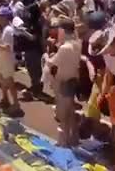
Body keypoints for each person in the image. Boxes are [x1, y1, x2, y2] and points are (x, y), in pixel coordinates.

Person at [47, 18, 81, 147]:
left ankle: (65, 142)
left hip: (63, 82)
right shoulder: (77, 43)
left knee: (64, 115)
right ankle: (74, 138)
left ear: (62, 30)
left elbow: (52, 62)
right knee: (70, 112)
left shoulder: (65, 48)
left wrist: (47, 57)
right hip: (72, 81)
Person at [0, 6, 23, 116]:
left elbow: (7, 47)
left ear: (5, 17)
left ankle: (16, 104)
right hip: (0, 57)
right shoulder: (2, 28)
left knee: (9, 81)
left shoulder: (8, 30)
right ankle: (5, 98)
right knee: (1, 78)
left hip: (7, 59)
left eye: (0, 16)